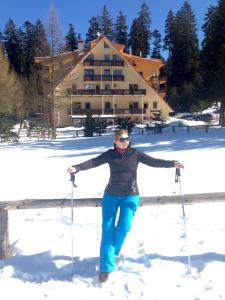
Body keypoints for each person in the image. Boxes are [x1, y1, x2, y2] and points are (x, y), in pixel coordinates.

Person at [67, 129, 184, 283]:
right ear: (115, 141)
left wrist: (171, 163)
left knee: (124, 226)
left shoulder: (135, 154)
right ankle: (106, 267)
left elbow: (153, 161)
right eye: (121, 139)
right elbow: (94, 162)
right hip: (111, 195)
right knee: (107, 229)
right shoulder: (110, 154)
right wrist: (77, 167)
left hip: (131, 195)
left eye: (127, 139)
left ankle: (110, 252)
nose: (125, 142)